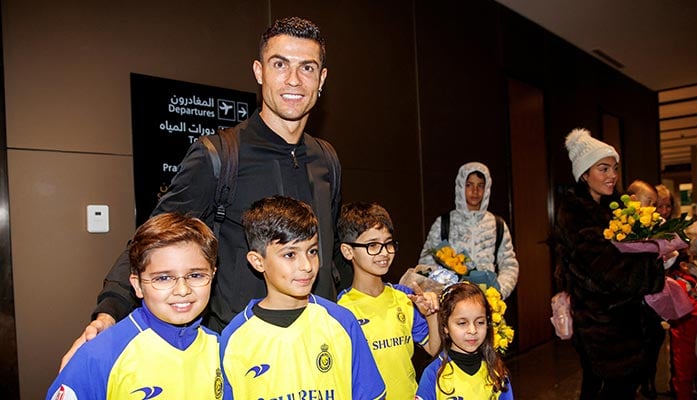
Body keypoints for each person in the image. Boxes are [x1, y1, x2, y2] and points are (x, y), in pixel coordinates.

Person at [62, 16, 349, 367]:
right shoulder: (218, 156)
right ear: (259, 72)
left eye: (307, 67)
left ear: (321, 79)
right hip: (241, 359)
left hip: (318, 349)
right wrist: (109, 312)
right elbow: (151, 241)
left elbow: (332, 256)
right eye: (280, 64)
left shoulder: (326, 160)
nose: (293, 80)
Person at [219, 196, 386, 400]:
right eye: (290, 254)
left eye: (312, 251)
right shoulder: (234, 338)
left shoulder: (342, 322)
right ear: (257, 261)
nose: (307, 266)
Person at [47, 213, 222, 399]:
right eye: (163, 278)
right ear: (137, 285)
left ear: (212, 275)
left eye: (196, 275)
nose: (182, 290)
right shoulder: (100, 355)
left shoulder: (220, 348)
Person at [553, 128, 667, 399]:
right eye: (603, 169)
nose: (612, 176)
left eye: (614, 168)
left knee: (604, 388)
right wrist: (654, 266)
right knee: (613, 389)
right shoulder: (575, 213)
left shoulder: (612, 208)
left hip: (622, 322)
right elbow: (606, 270)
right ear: (584, 173)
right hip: (600, 326)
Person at [336, 201, 440, 399]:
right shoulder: (341, 310)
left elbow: (433, 349)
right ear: (348, 251)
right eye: (373, 245)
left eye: (388, 243)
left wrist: (431, 316)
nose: (384, 253)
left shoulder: (405, 298)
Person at [418, 162, 519, 299]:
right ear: (460, 186)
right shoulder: (443, 223)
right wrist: (444, 288)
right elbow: (426, 263)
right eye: (469, 185)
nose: (475, 191)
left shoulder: (497, 225)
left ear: (487, 189)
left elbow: (509, 265)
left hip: (488, 303)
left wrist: (498, 292)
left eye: (480, 186)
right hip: (453, 302)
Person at [415, 281, 513, 400]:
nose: (472, 330)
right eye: (462, 323)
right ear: (445, 326)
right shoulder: (433, 373)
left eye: (480, 322)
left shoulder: (496, 370)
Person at [626, 179, 665, 398]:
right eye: (648, 201)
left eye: (654, 203)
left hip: (650, 299)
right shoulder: (621, 225)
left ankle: (648, 380)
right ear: (632, 200)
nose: (652, 207)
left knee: (654, 337)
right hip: (631, 302)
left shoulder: (654, 225)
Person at [667, 246, 697, 400]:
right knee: (684, 376)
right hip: (686, 334)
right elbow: (688, 309)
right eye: (693, 260)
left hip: (689, 334)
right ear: (683, 265)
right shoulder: (677, 283)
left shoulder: (685, 280)